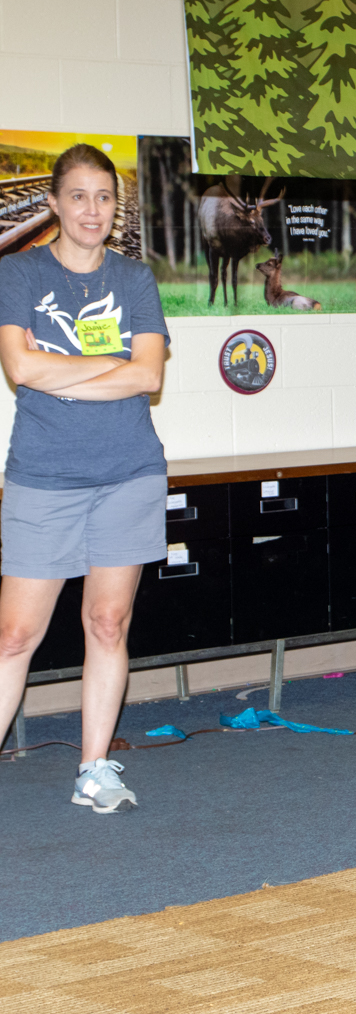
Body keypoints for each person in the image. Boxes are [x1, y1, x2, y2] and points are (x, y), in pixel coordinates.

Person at [0, 144, 169, 814]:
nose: (92, 210)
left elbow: (148, 375)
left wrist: (58, 371)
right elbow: (20, 369)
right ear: (53, 203)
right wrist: (110, 368)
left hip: (128, 474)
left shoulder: (134, 279)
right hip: (44, 477)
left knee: (106, 623)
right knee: (14, 636)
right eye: (77, 196)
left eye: (103, 197)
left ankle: (94, 770)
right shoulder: (19, 271)